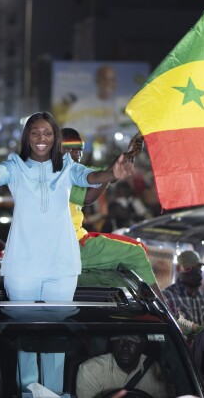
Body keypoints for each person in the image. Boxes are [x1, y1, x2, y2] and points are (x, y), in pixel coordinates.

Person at [0, 111, 133, 394]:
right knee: (25, 342)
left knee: (55, 343)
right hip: (22, 267)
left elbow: (91, 177)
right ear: (27, 137)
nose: (41, 138)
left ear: (55, 138)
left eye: (47, 133)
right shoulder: (16, 165)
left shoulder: (68, 167)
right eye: (35, 132)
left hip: (61, 267)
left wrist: (113, 173)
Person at [61, 127, 164, 299]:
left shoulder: (75, 170)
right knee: (136, 252)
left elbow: (105, 175)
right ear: (56, 149)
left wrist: (126, 157)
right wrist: (112, 172)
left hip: (74, 242)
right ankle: (167, 313)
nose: (75, 153)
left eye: (79, 148)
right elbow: (88, 196)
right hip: (69, 247)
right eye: (69, 148)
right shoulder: (57, 174)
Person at [76, 334, 167, 398]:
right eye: (119, 341)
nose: (125, 347)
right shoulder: (90, 370)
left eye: (132, 341)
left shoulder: (157, 371)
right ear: (112, 345)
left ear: (143, 345)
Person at [162, 250, 204, 333]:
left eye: (198, 268)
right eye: (189, 268)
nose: (196, 272)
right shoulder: (167, 297)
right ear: (178, 268)